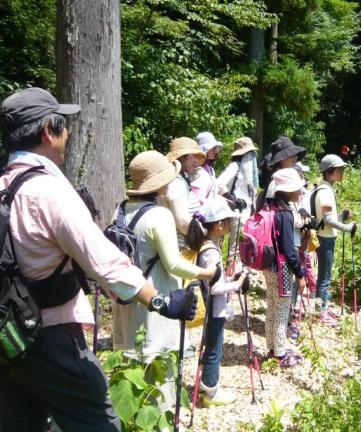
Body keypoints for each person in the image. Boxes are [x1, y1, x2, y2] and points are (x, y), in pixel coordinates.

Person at [0, 87, 196, 432]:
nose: (68, 132)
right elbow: (102, 260)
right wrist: (162, 300)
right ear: (48, 131)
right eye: (63, 125)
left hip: (8, 337)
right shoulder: (48, 190)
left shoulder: (4, 186)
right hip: (50, 338)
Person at [112, 151, 216, 362]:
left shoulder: (121, 210)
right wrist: (206, 273)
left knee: (131, 365)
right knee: (159, 370)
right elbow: (173, 264)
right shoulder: (159, 215)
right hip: (157, 297)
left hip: (128, 294)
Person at [186, 198, 245, 406]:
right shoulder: (211, 252)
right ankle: (211, 391)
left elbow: (214, 281)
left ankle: (206, 383)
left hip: (211, 307)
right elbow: (216, 288)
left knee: (211, 345)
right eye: (228, 222)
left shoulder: (206, 245)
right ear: (219, 225)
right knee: (214, 349)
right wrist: (237, 284)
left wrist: (230, 279)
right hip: (214, 309)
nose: (230, 226)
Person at [262, 168, 306, 367]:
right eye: (298, 188)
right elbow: (289, 250)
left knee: (272, 306)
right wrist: (300, 273)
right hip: (281, 268)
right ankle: (280, 354)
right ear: (288, 191)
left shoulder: (269, 207)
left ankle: (272, 347)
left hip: (267, 264)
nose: (300, 192)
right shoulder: (286, 214)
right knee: (282, 310)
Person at [313, 155, 357, 324]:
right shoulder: (325, 193)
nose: (342, 172)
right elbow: (329, 221)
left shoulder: (324, 189)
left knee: (324, 275)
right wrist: (348, 227)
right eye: (339, 169)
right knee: (325, 277)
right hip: (325, 239)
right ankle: (321, 313)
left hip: (324, 236)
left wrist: (342, 217)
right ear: (330, 172)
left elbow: (327, 218)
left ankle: (322, 309)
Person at [215, 136, 259, 266]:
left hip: (245, 215)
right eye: (249, 153)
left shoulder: (249, 173)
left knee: (242, 246)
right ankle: (231, 277)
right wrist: (233, 198)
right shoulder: (235, 166)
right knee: (234, 249)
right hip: (235, 214)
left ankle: (238, 276)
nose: (251, 157)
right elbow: (218, 184)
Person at [159, 137, 205, 249]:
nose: (197, 161)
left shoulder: (181, 178)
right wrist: (209, 231)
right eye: (193, 156)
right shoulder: (176, 183)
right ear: (181, 157)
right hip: (181, 249)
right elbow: (183, 223)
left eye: (198, 157)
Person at [192, 131, 223, 203]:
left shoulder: (210, 169)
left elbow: (213, 193)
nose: (215, 151)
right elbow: (198, 197)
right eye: (212, 148)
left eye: (215, 148)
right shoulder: (196, 170)